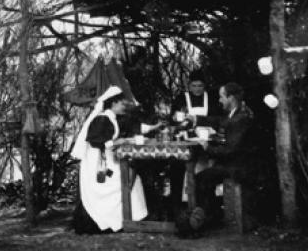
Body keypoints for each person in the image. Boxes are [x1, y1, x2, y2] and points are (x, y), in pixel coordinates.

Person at [71, 86, 160, 234]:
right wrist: (116, 142)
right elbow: (95, 141)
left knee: (132, 176)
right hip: (97, 163)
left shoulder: (111, 118)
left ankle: (129, 218)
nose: (123, 107)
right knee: (128, 177)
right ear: (113, 104)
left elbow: (132, 128)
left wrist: (152, 128)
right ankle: (119, 219)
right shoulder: (102, 118)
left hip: (106, 158)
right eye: (121, 104)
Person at [189, 82, 254, 225]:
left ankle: (206, 217)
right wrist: (196, 119)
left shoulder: (240, 118)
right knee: (205, 176)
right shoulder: (232, 114)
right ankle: (213, 214)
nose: (219, 100)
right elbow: (218, 120)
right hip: (232, 162)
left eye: (221, 97)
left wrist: (208, 148)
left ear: (231, 98)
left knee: (201, 178)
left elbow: (231, 150)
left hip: (238, 166)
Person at [167, 70, 222, 219]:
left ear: (204, 86)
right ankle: (177, 207)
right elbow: (173, 119)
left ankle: (205, 207)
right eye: (194, 85)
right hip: (186, 139)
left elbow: (217, 119)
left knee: (204, 170)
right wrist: (179, 119)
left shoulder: (211, 98)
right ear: (189, 86)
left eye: (200, 86)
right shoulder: (181, 98)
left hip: (206, 141)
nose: (197, 89)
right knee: (178, 167)